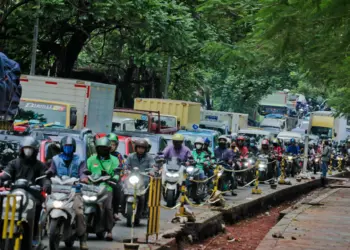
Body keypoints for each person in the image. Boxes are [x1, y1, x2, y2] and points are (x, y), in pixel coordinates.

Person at [0, 136, 51, 247]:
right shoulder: (14, 163)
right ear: (21, 149)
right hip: (15, 194)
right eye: (26, 148)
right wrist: (2, 179)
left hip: (33, 195)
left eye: (30, 149)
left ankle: (34, 237)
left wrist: (46, 184)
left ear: (35, 150)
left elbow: (44, 178)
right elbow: (5, 174)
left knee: (37, 208)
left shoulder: (40, 165)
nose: (28, 151)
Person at [48, 136, 88, 250]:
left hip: (74, 191)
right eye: (66, 146)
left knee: (79, 213)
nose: (68, 148)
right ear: (62, 146)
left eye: (70, 146)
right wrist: (48, 173)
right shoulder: (55, 159)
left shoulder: (79, 160)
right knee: (45, 207)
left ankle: (82, 239)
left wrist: (84, 178)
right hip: (58, 190)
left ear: (74, 147)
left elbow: (82, 172)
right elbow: (52, 170)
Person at [87, 137, 120, 241]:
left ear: (109, 149)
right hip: (91, 187)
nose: (103, 151)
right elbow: (85, 170)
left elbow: (117, 173)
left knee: (108, 208)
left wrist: (113, 178)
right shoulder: (91, 159)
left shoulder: (114, 160)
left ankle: (109, 230)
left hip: (107, 187)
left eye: (105, 149)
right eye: (100, 148)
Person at [125, 139, 155, 218]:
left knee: (148, 192)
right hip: (132, 178)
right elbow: (126, 165)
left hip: (144, 179)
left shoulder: (149, 157)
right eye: (139, 148)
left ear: (146, 149)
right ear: (136, 148)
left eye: (143, 148)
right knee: (122, 188)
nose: (141, 150)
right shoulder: (131, 156)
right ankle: (121, 207)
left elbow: (153, 166)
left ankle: (145, 208)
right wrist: (126, 170)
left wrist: (151, 171)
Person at [108, 133, 124, 221]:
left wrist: (118, 171)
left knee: (118, 190)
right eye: (110, 144)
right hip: (100, 179)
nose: (111, 146)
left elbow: (122, 165)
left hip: (114, 179)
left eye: (113, 144)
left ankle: (115, 212)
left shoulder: (118, 155)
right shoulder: (100, 154)